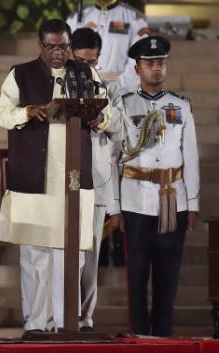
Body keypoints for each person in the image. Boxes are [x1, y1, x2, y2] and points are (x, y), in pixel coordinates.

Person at [0, 19, 111, 336]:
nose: (57, 53)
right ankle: (36, 323)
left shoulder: (85, 73)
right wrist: (27, 112)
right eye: (51, 46)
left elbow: (107, 109)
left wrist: (100, 117)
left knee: (69, 252)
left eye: (62, 46)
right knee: (35, 253)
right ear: (40, 45)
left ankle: (65, 321)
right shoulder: (20, 74)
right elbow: (2, 113)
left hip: (72, 177)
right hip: (35, 177)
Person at [120, 36, 199, 336]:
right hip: (136, 202)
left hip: (172, 202)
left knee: (168, 278)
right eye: (150, 63)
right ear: (137, 68)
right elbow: (116, 157)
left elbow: (189, 156)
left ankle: (164, 338)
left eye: (161, 62)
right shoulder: (125, 106)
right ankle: (140, 337)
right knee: (137, 278)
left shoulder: (180, 106)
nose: (157, 68)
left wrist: (192, 205)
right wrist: (115, 208)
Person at [71, 27, 125, 331]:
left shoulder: (109, 88)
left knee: (90, 252)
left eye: (92, 62)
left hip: (98, 179)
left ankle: (85, 316)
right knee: (67, 253)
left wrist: (102, 119)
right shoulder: (58, 85)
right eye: (80, 61)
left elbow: (121, 126)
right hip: (64, 179)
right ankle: (60, 313)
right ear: (70, 56)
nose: (86, 68)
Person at [66, 0, 150, 94]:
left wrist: (114, 90)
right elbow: (67, 59)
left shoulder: (134, 18)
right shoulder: (74, 19)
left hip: (120, 92)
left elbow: (138, 60)